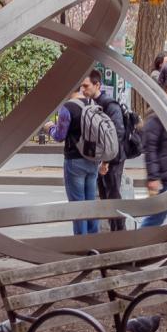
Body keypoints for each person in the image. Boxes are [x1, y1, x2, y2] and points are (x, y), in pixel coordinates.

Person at [48, 78, 100, 235]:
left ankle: (81, 244)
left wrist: (49, 128)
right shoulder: (93, 104)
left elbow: (60, 135)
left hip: (74, 160)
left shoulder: (67, 107)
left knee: (77, 205)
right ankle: (93, 241)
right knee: (91, 204)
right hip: (93, 158)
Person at [84, 70, 129, 231]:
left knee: (113, 194)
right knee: (105, 194)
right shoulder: (91, 104)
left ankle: (120, 231)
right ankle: (114, 230)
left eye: (86, 85)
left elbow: (117, 133)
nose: (83, 89)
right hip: (103, 158)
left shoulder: (109, 105)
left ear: (97, 85)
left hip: (113, 159)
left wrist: (106, 161)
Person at [139, 82, 167, 227]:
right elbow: (150, 149)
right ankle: (137, 242)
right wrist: (153, 177)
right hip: (165, 178)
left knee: (166, 217)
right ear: (164, 94)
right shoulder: (156, 117)